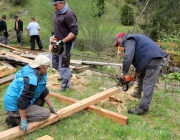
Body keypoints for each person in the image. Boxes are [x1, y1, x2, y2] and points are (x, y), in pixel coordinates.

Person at [114, 32, 167, 115]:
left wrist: (123, 73)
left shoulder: (128, 39)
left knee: (148, 83)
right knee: (141, 77)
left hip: (152, 58)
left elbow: (128, 57)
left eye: (119, 43)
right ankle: (137, 94)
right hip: (149, 58)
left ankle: (142, 108)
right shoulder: (133, 39)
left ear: (121, 38)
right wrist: (136, 72)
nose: (120, 45)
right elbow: (141, 56)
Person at [4, 55, 57, 131]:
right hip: (14, 107)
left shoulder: (36, 72)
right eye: (47, 67)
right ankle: (15, 120)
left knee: (41, 98)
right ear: (42, 67)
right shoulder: (31, 81)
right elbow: (22, 101)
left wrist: (52, 106)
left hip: (18, 101)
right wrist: (23, 120)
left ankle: (27, 114)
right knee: (45, 114)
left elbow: (43, 90)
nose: (47, 68)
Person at [49, 0, 78, 92]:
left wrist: (63, 41)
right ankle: (67, 74)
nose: (54, 6)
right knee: (53, 62)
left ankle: (65, 88)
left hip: (66, 43)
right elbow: (58, 25)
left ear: (62, 3)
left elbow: (74, 32)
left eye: (56, 4)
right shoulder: (58, 12)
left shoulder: (69, 14)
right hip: (57, 41)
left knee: (63, 64)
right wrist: (54, 33)